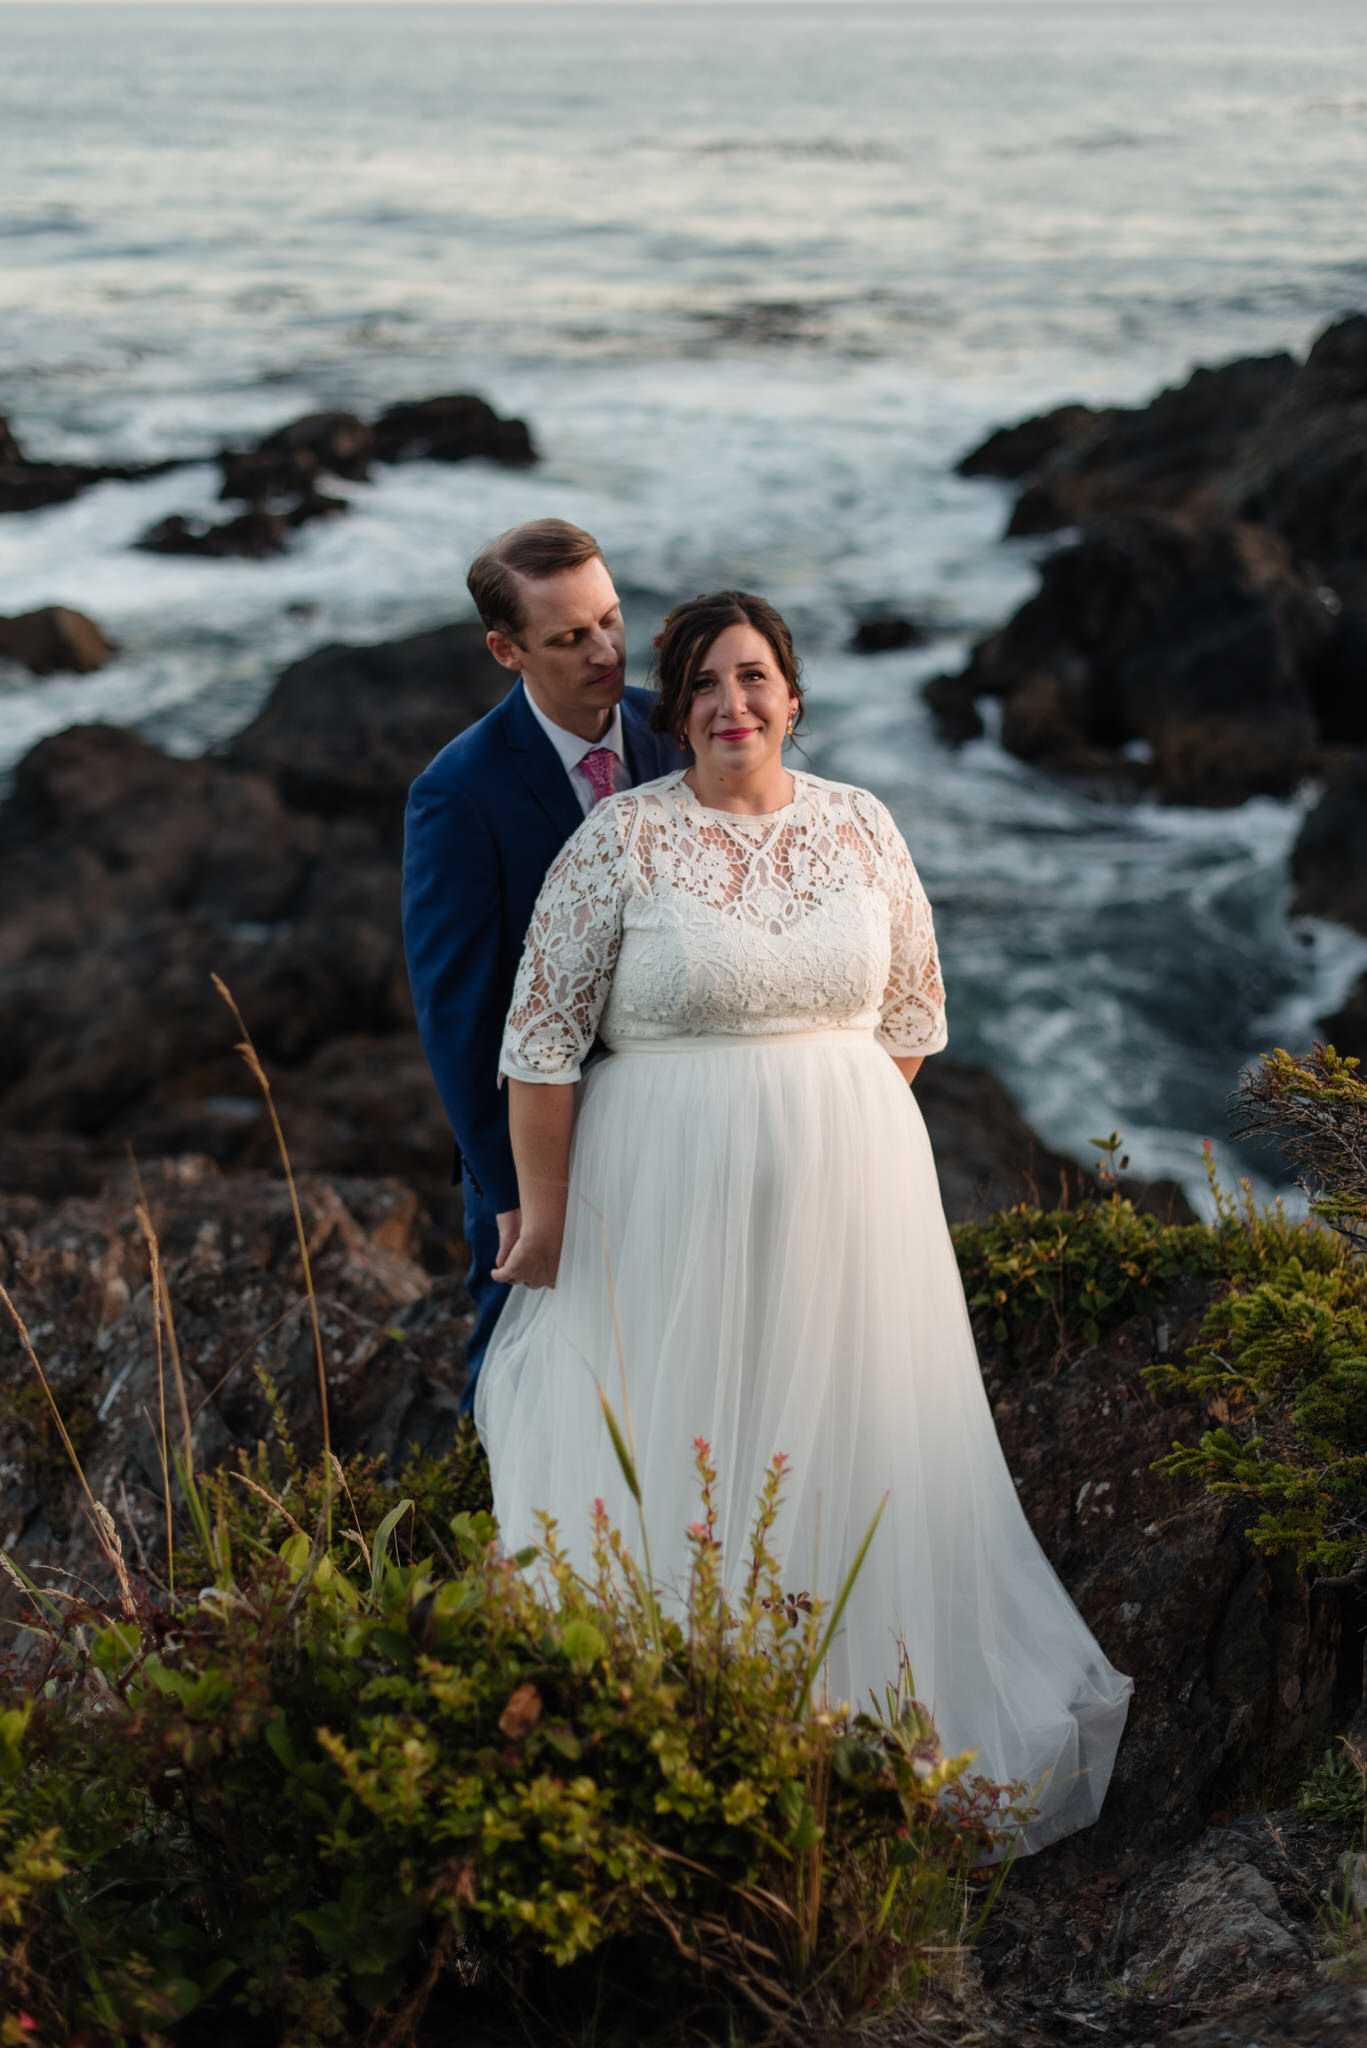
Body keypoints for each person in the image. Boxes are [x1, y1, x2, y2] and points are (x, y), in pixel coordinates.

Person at [474, 588, 1132, 1853]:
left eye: (753, 676)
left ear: (792, 694)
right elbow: (539, 1043)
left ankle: (866, 1735)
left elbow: (908, 1014)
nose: (731, 703)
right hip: (657, 1213)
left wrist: (831, 1137)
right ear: (672, 708)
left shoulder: (861, 825)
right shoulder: (618, 841)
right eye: (705, 683)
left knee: (845, 1444)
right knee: (690, 1447)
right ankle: (694, 1740)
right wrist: (546, 1214)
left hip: (852, 1210)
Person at [402, 520, 685, 1408]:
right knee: (522, 1365)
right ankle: (501, 1543)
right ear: (506, 650)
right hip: (538, 1142)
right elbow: (458, 1010)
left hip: (674, 1122)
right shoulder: (458, 792)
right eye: (569, 637)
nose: (605, 650)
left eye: (609, 618)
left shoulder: (672, 731)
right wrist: (514, 1187)